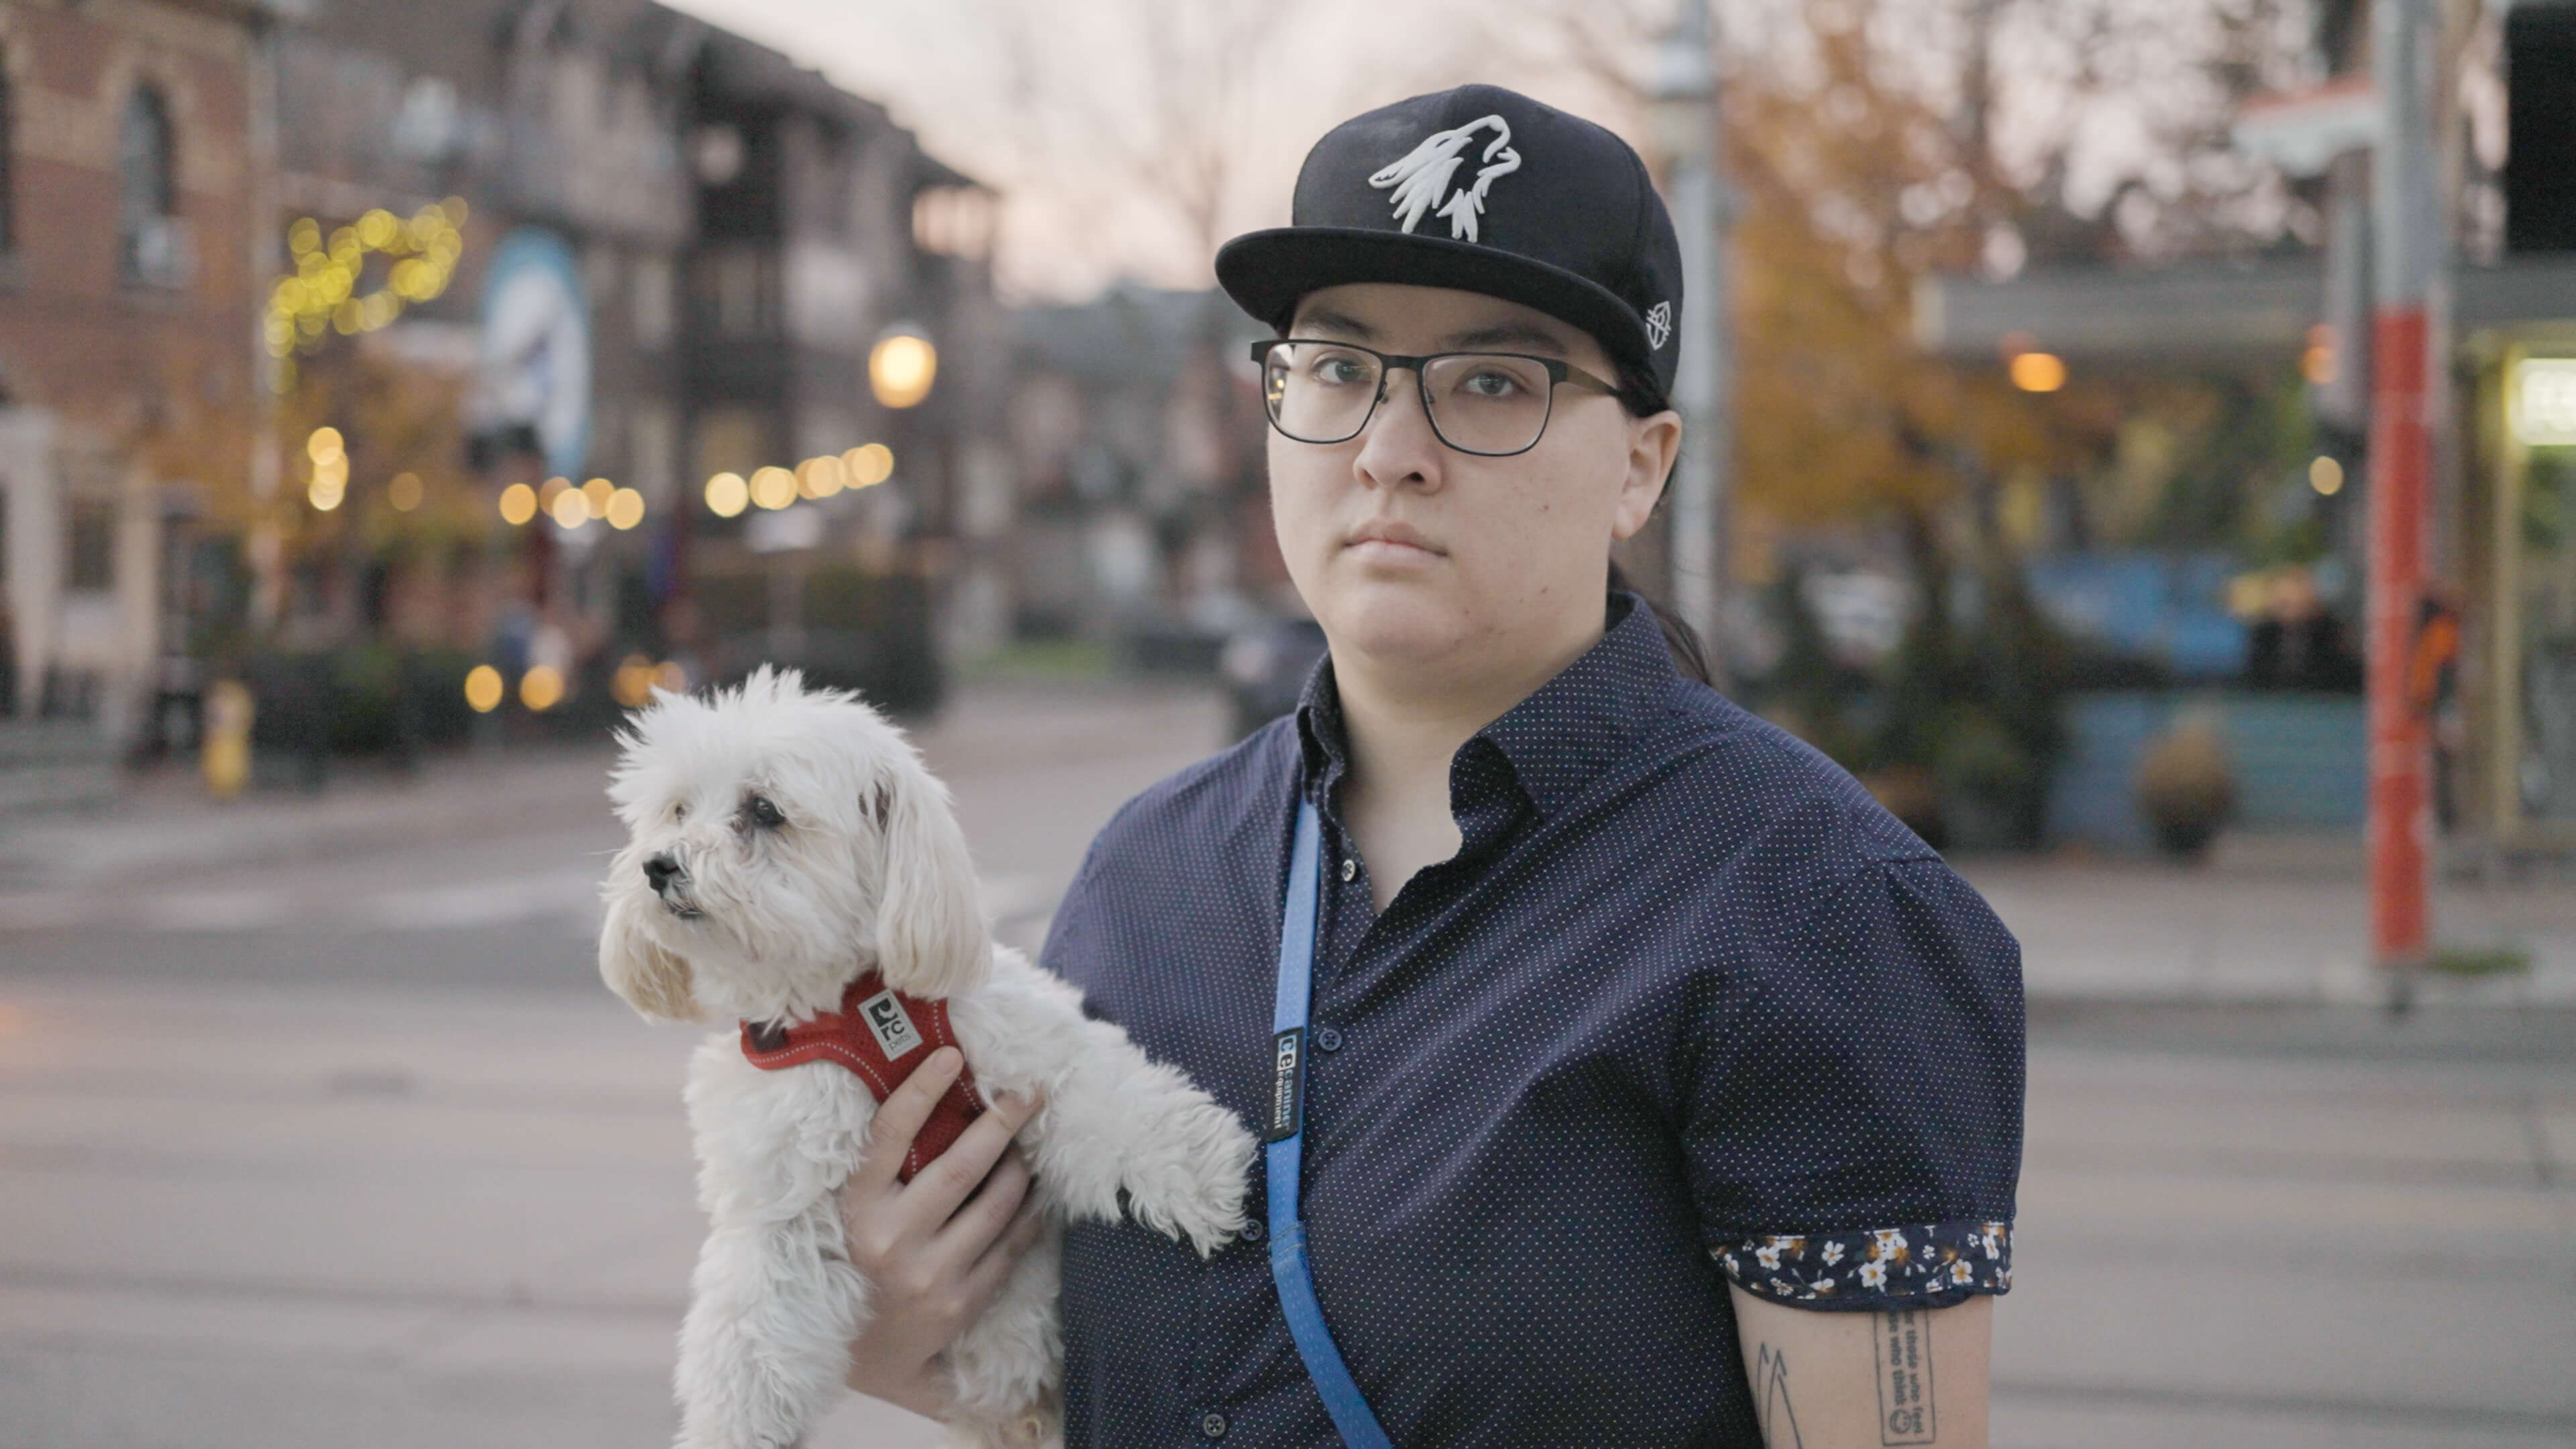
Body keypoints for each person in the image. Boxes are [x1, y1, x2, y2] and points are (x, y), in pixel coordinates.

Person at [839, 84, 2023, 1446]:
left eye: (1494, 384)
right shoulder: (1146, 878)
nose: (1391, 455)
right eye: (1340, 370)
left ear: (1641, 468)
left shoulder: (1816, 912)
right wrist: (908, 1352)